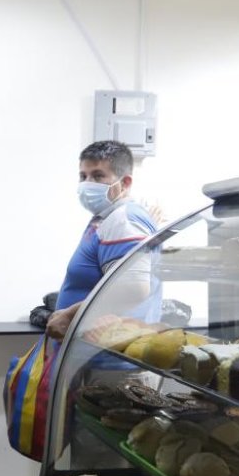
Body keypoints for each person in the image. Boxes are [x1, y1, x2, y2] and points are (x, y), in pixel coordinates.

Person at [46, 141, 160, 340]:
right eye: (83, 176)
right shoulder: (107, 218)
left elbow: (133, 290)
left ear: (125, 183)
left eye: (98, 176)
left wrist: (69, 317)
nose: (87, 184)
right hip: (88, 350)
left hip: (106, 356)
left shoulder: (123, 220)